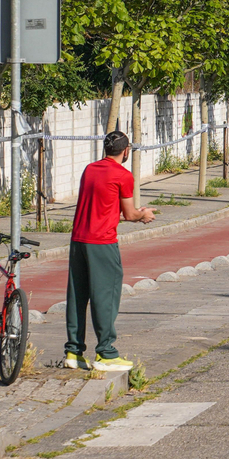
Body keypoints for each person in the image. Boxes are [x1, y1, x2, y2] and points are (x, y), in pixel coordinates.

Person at [65, 132, 155, 372]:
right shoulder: (123, 175)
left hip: (78, 240)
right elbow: (130, 214)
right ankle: (106, 353)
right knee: (106, 296)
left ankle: (73, 352)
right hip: (102, 242)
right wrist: (143, 214)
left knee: (77, 295)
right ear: (126, 151)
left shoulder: (89, 169)